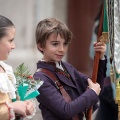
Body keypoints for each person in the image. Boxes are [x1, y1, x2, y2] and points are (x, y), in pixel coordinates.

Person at [33, 18, 107, 120]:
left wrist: (101, 57)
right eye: (55, 44)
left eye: (65, 44)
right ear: (41, 46)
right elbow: (65, 110)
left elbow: (96, 87)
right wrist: (92, 92)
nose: (61, 49)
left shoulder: (67, 67)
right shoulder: (40, 78)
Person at [0, 15, 35, 120]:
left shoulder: (5, 69)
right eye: (10, 41)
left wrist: (24, 105)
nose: (13, 46)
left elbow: (12, 101)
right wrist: (12, 107)